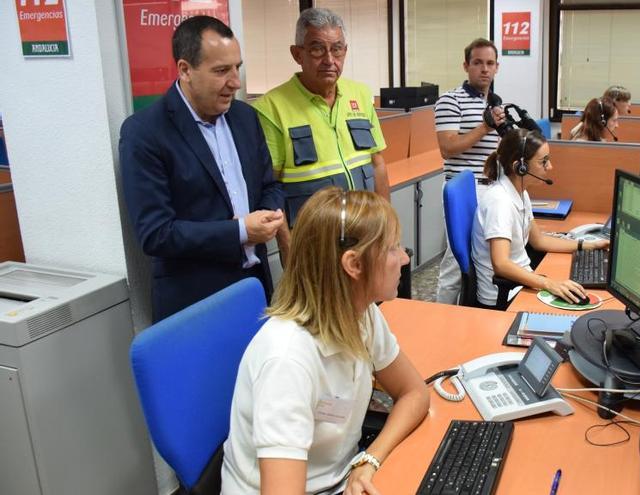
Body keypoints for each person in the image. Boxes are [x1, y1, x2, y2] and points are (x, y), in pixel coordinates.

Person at [221, 188, 429, 495]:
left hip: (340, 479)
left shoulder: (362, 313)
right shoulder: (287, 359)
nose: (403, 258)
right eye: (392, 248)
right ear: (354, 264)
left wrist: (369, 460)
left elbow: (414, 393)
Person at [120, 16, 285, 322]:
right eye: (222, 71)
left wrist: (268, 214)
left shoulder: (246, 119)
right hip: (195, 304)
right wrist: (240, 231)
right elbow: (156, 233)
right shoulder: (145, 132)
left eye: (237, 67)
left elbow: (270, 186)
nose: (235, 82)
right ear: (185, 70)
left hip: (255, 289)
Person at [252, 8, 389, 228]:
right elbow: (271, 188)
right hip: (314, 239)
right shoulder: (271, 108)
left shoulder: (361, 94)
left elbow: (378, 164)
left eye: (337, 50)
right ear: (297, 54)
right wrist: (290, 252)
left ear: (345, 51)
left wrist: (386, 226)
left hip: (365, 228)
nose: (329, 60)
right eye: (317, 49)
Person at [472, 129, 609, 307]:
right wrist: (549, 283)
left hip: (522, 281)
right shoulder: (500, 203)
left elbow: (539, 241)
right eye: (543, 162)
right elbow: (501, 264)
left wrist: (587, 245)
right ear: (520, 167)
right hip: (503, 294)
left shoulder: (520, 192)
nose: (550, 167)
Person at [434, 38, 507, 304]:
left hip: (491, 188)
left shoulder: (496, 104)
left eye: (490, 63)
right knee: (456, 263)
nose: (484, 69)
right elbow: (448, 147)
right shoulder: (450, 101)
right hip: (465, 190)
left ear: (497, 67)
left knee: (485, 260)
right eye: (478, 63)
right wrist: (485, 127)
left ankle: (472, 311)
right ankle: (441, 316)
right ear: (466, 65)